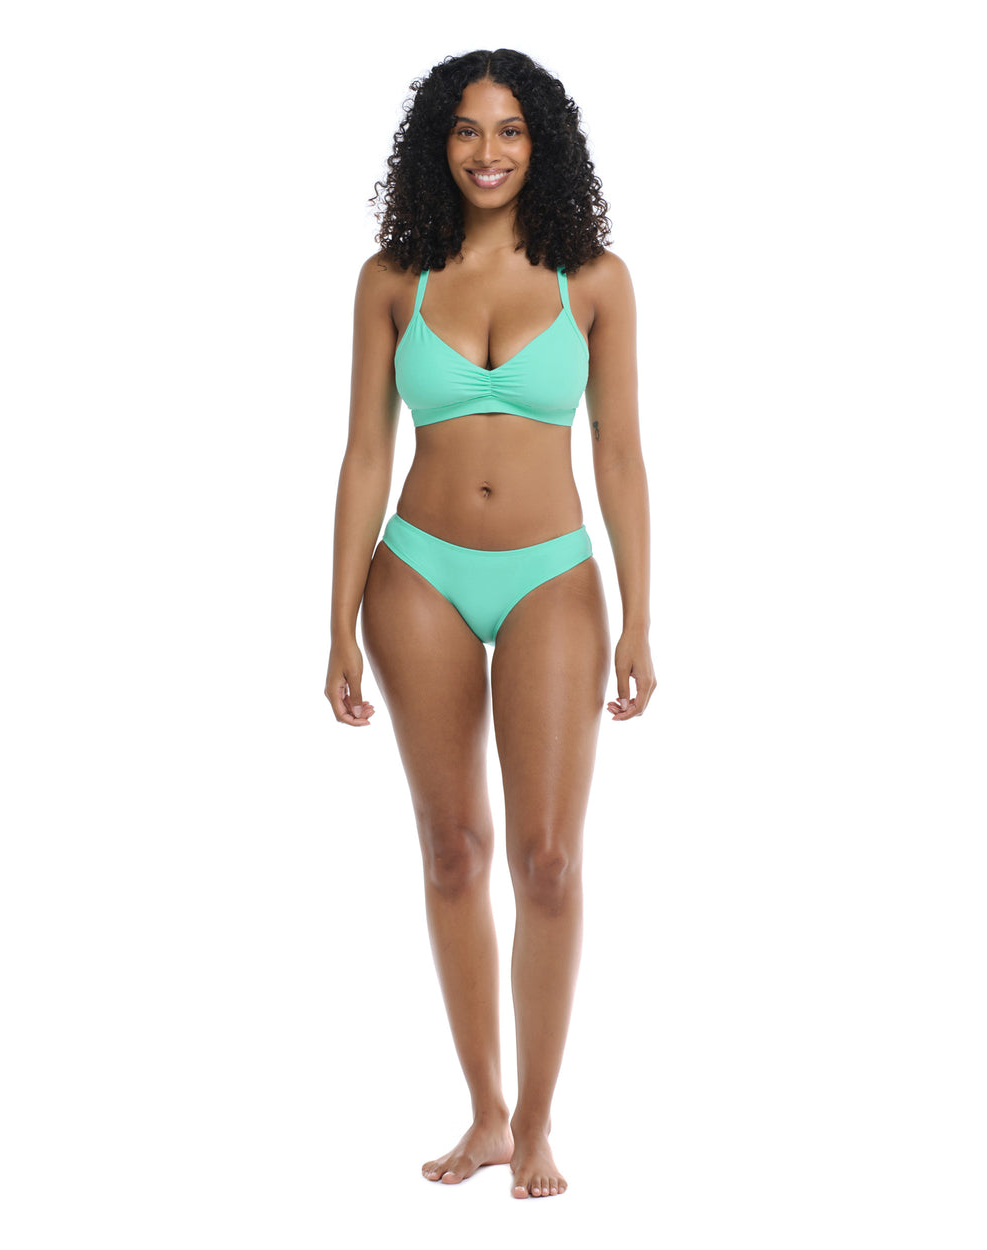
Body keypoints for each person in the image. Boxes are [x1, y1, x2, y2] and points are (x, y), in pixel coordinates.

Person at [325, 48, 656, 1200]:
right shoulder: (391, 279)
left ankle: (539, 1120)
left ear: (541, 143)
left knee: (548, 857)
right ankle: (483, 1114)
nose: (487, 152)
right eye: (466, 130)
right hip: (415, 570)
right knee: (454, 847)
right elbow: (364, 454)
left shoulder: (594, 281)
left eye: (509, 130)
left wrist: (640, 615)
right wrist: (334, 619)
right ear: (438, 143)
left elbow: (619, 453)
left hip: (550, 574)